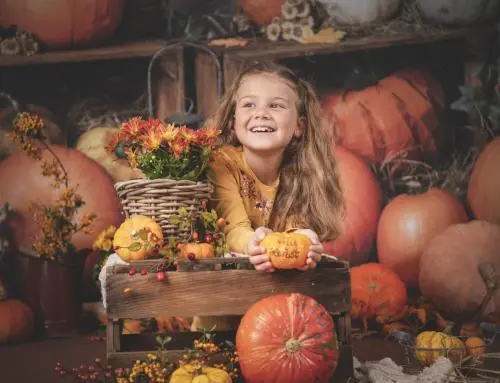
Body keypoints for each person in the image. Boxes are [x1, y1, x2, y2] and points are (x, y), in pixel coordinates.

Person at [207, 60, 345, 271]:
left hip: (272, 283)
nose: (261, 113)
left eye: (276, 105)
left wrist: (306, 240)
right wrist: (253, 243)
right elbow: (233, 229)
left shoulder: (302, 172)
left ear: (299, 126)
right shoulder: (221, 165)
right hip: (223, 276)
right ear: (233, 122)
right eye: (249, 104)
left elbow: (293, 235)